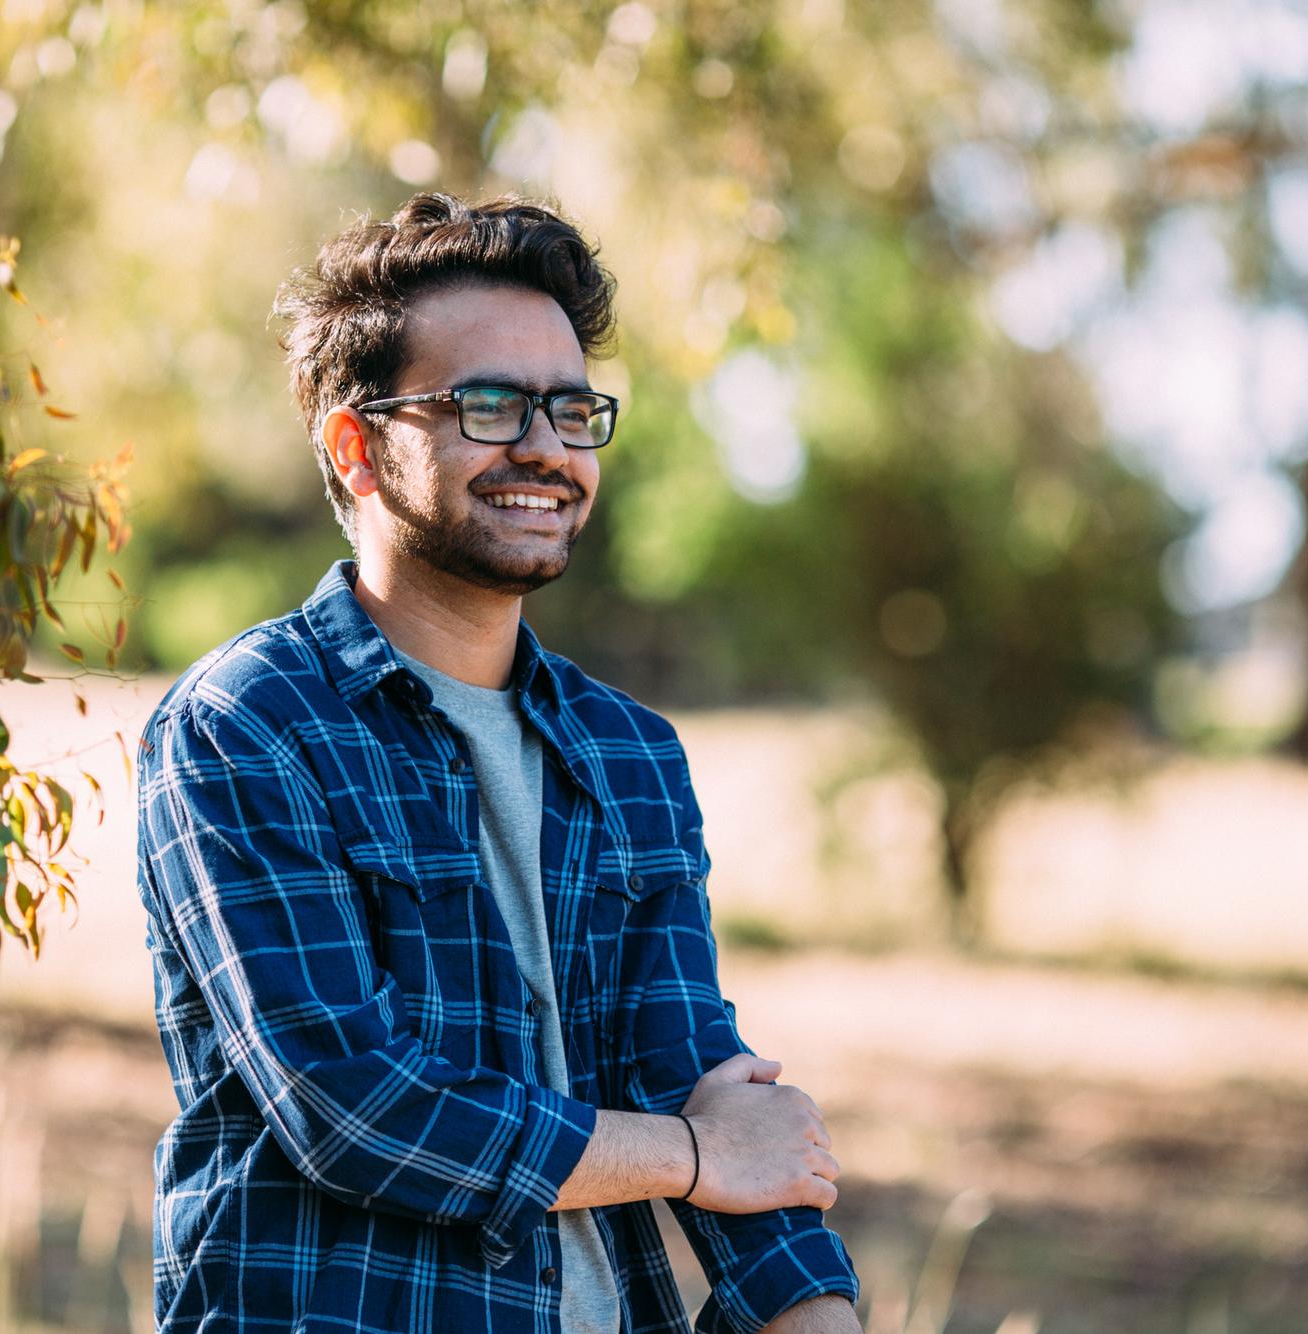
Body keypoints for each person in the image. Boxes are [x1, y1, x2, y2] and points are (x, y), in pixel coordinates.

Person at [134, 193, 859, 1333]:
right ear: (357, 444)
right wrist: (685, 1153)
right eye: (488, 403)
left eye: (571, 411)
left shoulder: (629, 752)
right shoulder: (245, 724)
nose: (543, 446)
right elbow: (355, 1105)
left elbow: (700, 1079)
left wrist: (816, 1310)